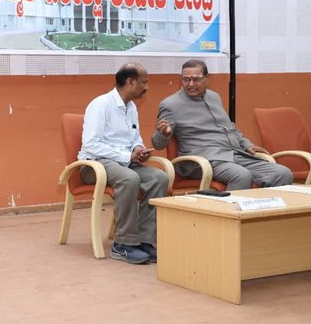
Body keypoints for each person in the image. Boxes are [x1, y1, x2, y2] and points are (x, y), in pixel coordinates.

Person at [151, 59, 293, 190]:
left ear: (207, 78)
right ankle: (232, 210)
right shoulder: (170, 104)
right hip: (202, 161)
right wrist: (163, 134)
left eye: (196, 79)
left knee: (282, 173)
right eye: (186, 79)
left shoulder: (214, 97)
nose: (191, 84)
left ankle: (265, 209)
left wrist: (246, 144)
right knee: (241, 176)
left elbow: (229, 127)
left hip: (232, 154)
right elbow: (158, 144)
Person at [78, 63, 167, 264]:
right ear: (130, 82)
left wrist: (138, 149)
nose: (147, 87)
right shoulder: (101, 105)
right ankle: (123, 244)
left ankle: (144, 240)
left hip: (123, 163)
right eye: (144, 82)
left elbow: (134, 137)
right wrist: (127, 156)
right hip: (95, 164)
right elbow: (91, 144)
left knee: (159, 178)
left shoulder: (131, 107)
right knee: (129, 179)